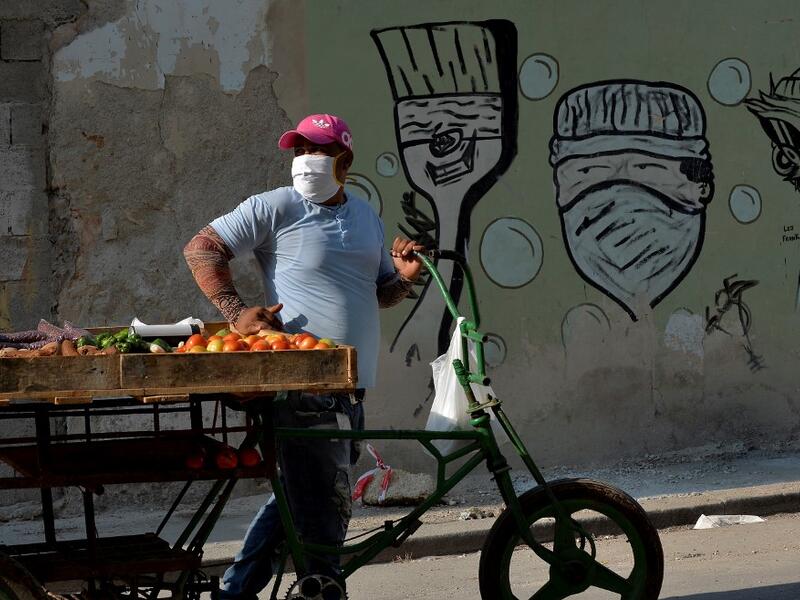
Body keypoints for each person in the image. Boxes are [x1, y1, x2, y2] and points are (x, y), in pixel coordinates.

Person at [183, 113, 423, 598]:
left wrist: (405, 277)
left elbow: (380, 293)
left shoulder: (365, 216)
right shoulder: (276, 206)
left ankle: (236, 591)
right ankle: (322, 584)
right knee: (325, 499)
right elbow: (202, 248)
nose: (304, 162)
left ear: (344, 161)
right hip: (303, 383)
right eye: (299, 152)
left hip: (351, 384)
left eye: (316, 151)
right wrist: (237, 313)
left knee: (300, 495)